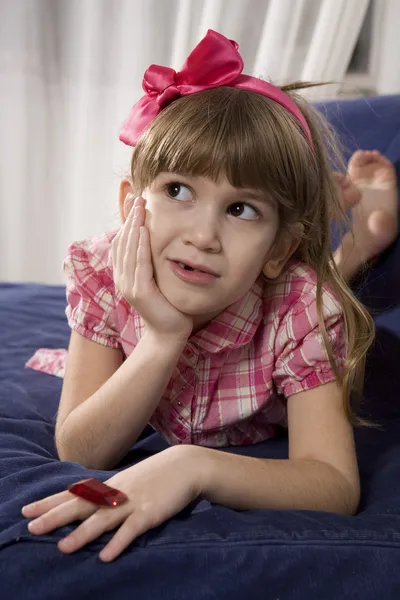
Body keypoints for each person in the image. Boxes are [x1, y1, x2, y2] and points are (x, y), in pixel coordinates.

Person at [21, 30, 396, 564]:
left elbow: (334, 483)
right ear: (133, 204)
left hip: (281, 306)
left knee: (333, 304)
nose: (202, 235)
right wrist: (161, 338)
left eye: (241, 209)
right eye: (177, 190)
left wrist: (192, 466)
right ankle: (322, 217)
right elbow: (81, 451)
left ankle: (358, 242)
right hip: (244, 281)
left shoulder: (302, 312)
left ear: (277, 248)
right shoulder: (102, 270)